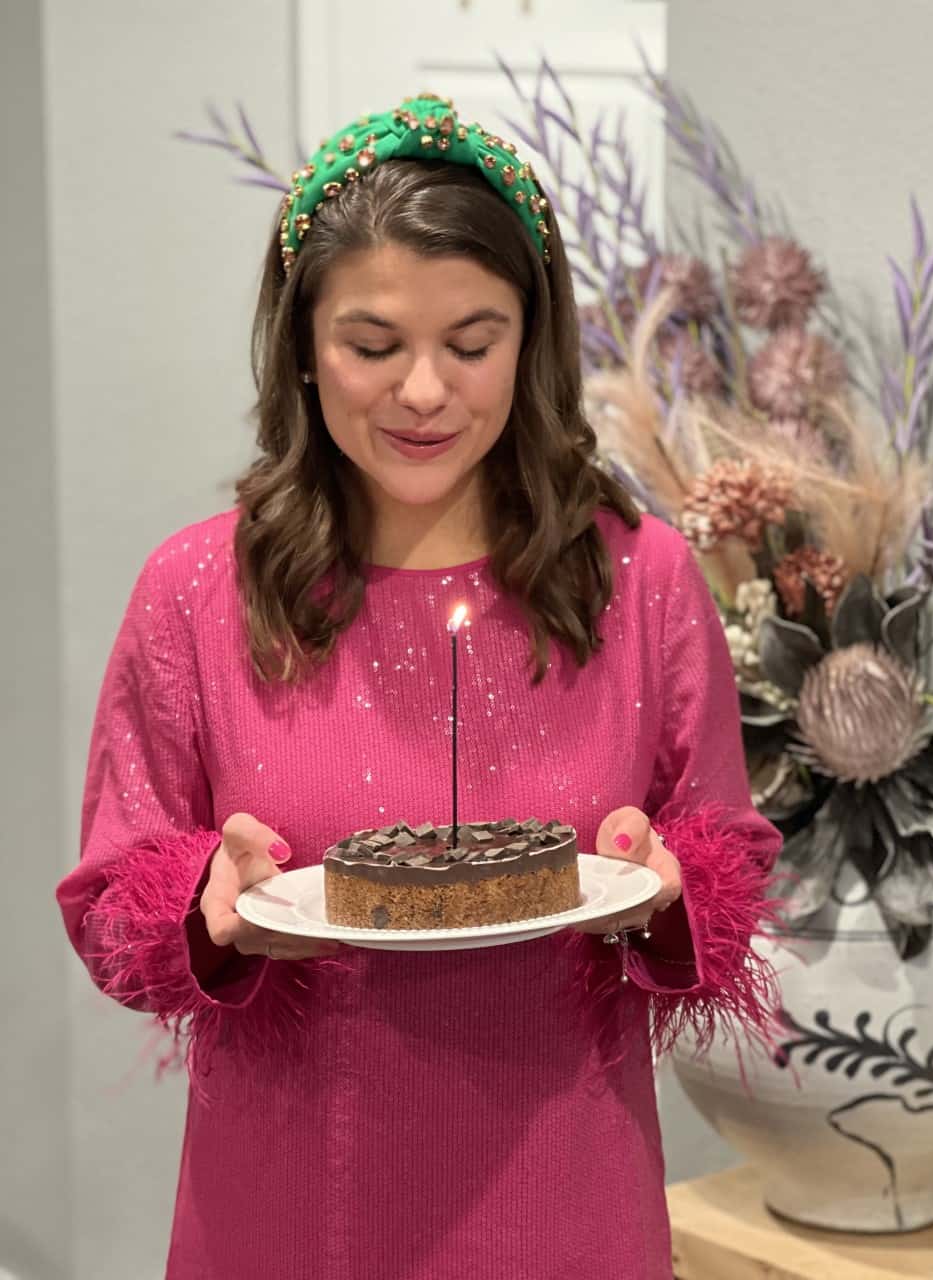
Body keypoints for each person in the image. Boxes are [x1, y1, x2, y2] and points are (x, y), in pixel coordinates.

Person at [57, 93, 781, 1279]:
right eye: (375, 344)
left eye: (473, 342)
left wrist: (670, 886)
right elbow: (105, 899)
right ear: (301, 342)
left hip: (564, 1198)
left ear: (533, 339)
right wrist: (209, 909)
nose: (427, 393)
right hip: (294, 1207)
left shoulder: (638, 576)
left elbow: (734, 855)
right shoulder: (195, 588)